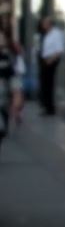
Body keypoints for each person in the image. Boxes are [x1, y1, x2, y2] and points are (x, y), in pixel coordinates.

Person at [0, 19, 26, 156]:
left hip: (3, 99)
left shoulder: (7, 57)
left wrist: (17, 97)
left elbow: (14, 78)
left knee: (2, 129)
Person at [37, 16, 65, 116]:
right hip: (45, 60)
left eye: (45, 23)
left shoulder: (56, 34)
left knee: (48, 84)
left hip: (51, 60)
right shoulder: (46, 34)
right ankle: (46, 106)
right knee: (45, 84)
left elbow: (59, 50)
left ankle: (50, 108)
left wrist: (50, 60)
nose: (43, 25)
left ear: (49, 24)